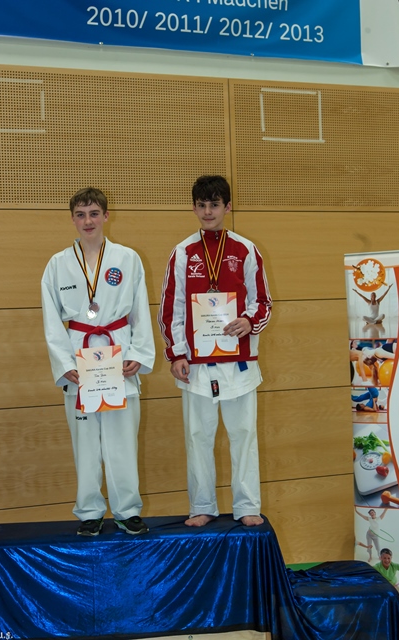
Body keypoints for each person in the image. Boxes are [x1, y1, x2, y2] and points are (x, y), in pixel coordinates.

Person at [158, 175, 272, 528]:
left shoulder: (246, 249)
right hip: (197, 364)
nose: (208, 212)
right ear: (194, 208)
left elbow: (263, 302)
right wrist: (177, 353)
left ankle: (247, 505)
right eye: (202, 205)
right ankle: (202, 505)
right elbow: (171, 309)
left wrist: (248, 321)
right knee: (198, 438)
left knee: (244, 436)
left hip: (238, 362)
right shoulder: (182, 252)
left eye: (215, 205)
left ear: (227, 207)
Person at [41, 187, 155, 536]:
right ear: (72, 219)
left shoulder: (127, 258)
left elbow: (140, 310)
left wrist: (138, 354)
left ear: (106, 216)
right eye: (80, 214)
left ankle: (127, 509)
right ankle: (90, 511)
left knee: (122, 439)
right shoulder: (58, 264)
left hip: (118, 358)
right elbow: (51, 320)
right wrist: (64, 363)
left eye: (93, 213)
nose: (87, 221)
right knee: (86, 441)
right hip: (80, 362)